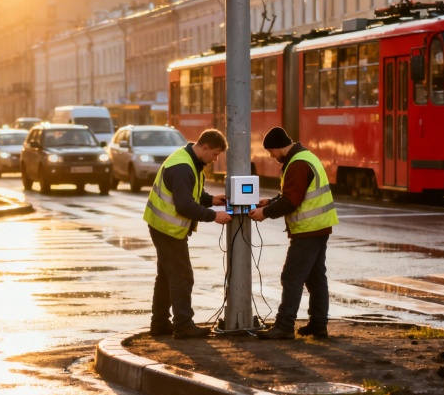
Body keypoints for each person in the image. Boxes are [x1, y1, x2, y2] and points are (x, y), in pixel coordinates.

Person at [248, 127, 339, 339]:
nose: (271, 156)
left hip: (308, 230)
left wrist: (265, 212)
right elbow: (295, 193)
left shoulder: (297, 164)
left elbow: (291, 201)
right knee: (316, 279)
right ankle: (319, 324)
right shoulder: (306, 156)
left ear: (278, 147)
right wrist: (270, 201)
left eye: (271, 152)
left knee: (291, 277)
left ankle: (284, 326)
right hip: (319, 226)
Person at [144, 129, 231, 339]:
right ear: (205, 147)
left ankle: (160, 324)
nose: (215, 159)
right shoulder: (184, 167)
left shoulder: (189, 160)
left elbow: (190, 194)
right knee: (182, 276)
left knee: (166, 277)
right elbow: (184, 205)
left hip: (163, 226)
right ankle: (183, 325)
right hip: (168, 229)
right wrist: (213, 216)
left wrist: (211, 200)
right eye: (215, 154)